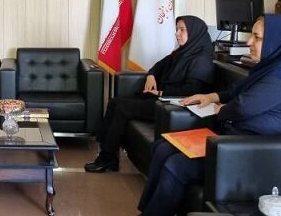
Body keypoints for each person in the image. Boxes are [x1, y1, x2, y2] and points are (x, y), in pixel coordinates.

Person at [117, 14, 281, 216]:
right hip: (233, 141)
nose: (249, 42)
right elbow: (237, 90)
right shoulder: (274, 66)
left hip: (254, 153)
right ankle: (148, 214)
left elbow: (243, 106)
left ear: (278, 41)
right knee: (163, 147)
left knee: (176, 165)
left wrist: (221, 109)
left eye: (257, 37)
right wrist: (212, 97)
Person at [85, 16, 215, 173]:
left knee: (122, 108)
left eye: (182, 30)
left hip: (172, 106)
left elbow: (192, 91)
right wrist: (151, 75)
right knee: (115, 102)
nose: (177, 34)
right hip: (161, 98)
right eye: (177, 29)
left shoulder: (202, 60)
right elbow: (158, 66)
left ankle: (107, 157)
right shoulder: (181, 52)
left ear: (194, 33)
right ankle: (106, 153)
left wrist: (161, 92)